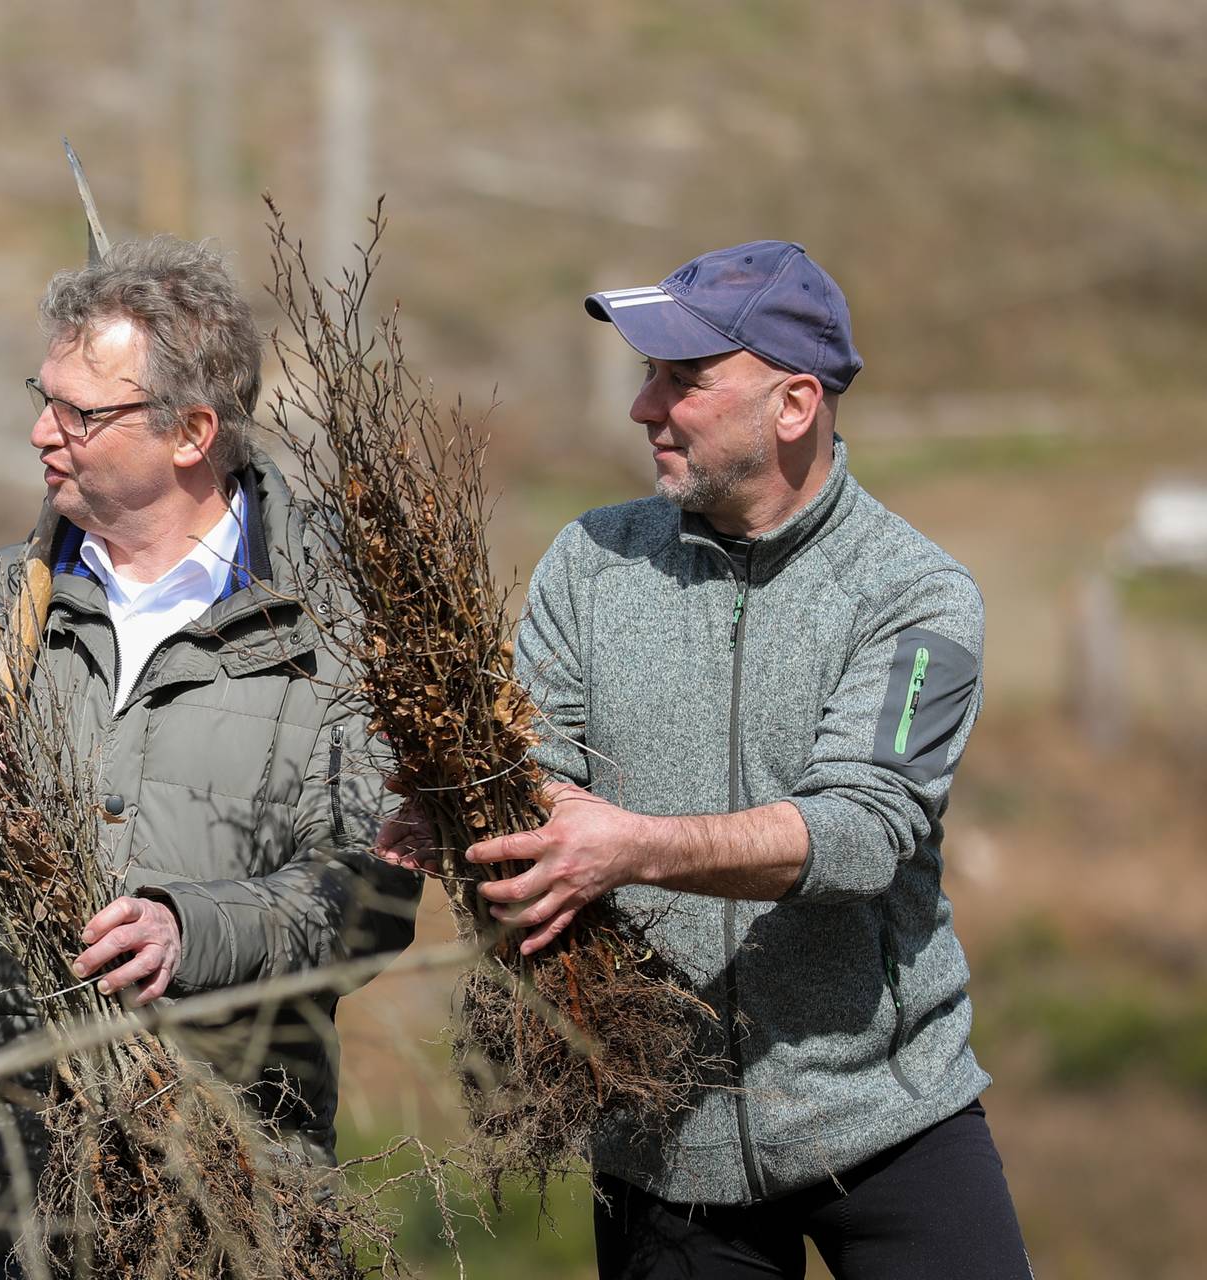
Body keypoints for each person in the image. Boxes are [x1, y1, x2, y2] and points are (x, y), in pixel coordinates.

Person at [378, 240, 1029, 1278]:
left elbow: (862, 831)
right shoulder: (591, 561)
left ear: (793, 404)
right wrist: (467, 803)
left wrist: (632, 847)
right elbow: (534, 765)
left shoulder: (917, 596)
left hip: (891, 1117)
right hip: (663, 1136)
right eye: (648, 374)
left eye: (683, 378)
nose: (644, 407)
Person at [0, 236, 421, 1276]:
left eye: (80, 413)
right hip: (9, 1188)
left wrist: (188, 930)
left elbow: (370, 901)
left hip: (233, 1183)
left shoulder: (332, 624)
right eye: (42, 398)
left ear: (192, 431)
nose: (40, 431)